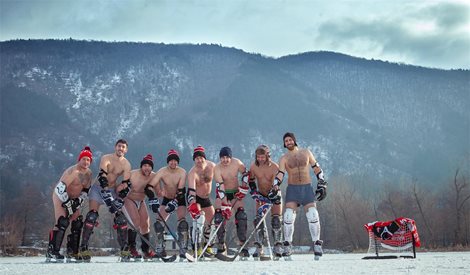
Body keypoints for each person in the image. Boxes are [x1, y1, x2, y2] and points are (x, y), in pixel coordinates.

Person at [274, 132, 327, 259]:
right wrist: (275, 185)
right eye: (286, 141)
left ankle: (316, 244)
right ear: (284, 144)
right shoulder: (284, 158)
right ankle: (288, 245)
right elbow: (280, 173)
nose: (288, 142)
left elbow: (316, 167)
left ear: (294, 140)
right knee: (287, 217)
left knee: (313, 215)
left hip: (306, 188)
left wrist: (322, 182)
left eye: (290, 140)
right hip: (292, 189)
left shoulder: (306, 152)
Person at [79, 139, 132, 261]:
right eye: (119, 146)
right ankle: (83, 248)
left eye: (123, 147)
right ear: (115, 147)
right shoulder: (106, 158)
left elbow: (125, 184)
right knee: (92, 216)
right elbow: (102, 176)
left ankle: (124, 249)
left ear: (126, 150)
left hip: (113, 190)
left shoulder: (127, 164)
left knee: (120, 218)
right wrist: (106, 192)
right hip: (98, 188)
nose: (121, 149)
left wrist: (120, 198)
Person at [46, 146, 93, 262]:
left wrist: (78, 201)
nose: (86, 162)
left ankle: (72, 252)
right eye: (84, 159)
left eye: (88, 160)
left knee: (77, 223)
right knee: (62, 221)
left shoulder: (89, 174)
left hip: (74, 200)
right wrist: (67, 203)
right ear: (79, 159)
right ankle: (52, 251)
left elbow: (85, 191)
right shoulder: (73, 172)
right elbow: (60, 189)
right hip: (60, 197)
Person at [146, 149, 189, 259]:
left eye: (175, 161)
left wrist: (175, 202)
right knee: (158, 223)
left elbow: (181, 190)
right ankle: (160, 246)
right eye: (171, 161)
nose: (173, 163)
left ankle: (183, 247)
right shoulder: (162, 171)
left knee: (182, 223)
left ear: (178, 162)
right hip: (166, 198)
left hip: (179, 200)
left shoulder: (182, 172)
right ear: (168, 161)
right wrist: (152, 199)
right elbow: (150, 187)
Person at [248, 144, 283, 258]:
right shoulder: (254, 166)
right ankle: (259, 246)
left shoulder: (274, 167)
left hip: (274, 195)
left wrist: (273, 193)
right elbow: (251, 180)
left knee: (276, 220)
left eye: (262, 157)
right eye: (258, 157)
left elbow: (276, 184)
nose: (260, 159)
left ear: (268, 156)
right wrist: (253, 191)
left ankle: (277, 245)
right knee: (258, 220)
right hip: (261, 195)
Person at [213, 146, 249, 256]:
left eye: (227, 157)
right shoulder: (217, 168)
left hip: (235, 192)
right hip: (222, 193)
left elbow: (246, 174)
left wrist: (243, 188)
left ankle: (243, 244)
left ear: (231, 157)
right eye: (222, 158)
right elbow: (220, 186)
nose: (225, 160)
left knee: (241, 215)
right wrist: (225, 204)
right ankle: (221, 244)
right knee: (219, 216)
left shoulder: (237, 163)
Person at [123, 154, 157, 259]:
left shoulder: (153, 176)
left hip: (141, 200)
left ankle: (145, 250)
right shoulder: (132, 174)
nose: (147, 168)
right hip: (129, 199)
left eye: (149, 166)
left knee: (145, 223)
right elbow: (120, 186)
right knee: (135, 222)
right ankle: (131, 248)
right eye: (145, 165)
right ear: (141, 166)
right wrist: (122, 191)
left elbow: (158, 191)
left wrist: (153, 197)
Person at [186, 146, 217, 257]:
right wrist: (193, 204)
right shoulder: (192, 173)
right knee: (199, 220)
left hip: (206, 198)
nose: (199, 160)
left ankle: (207, 246)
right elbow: (191, 191)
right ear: (194, 160)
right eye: (196, 159)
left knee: (214, 222)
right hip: (195, 198)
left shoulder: (212, 166)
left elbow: (221, 179)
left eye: (201, 158)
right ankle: (196, 247)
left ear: (204, 158)